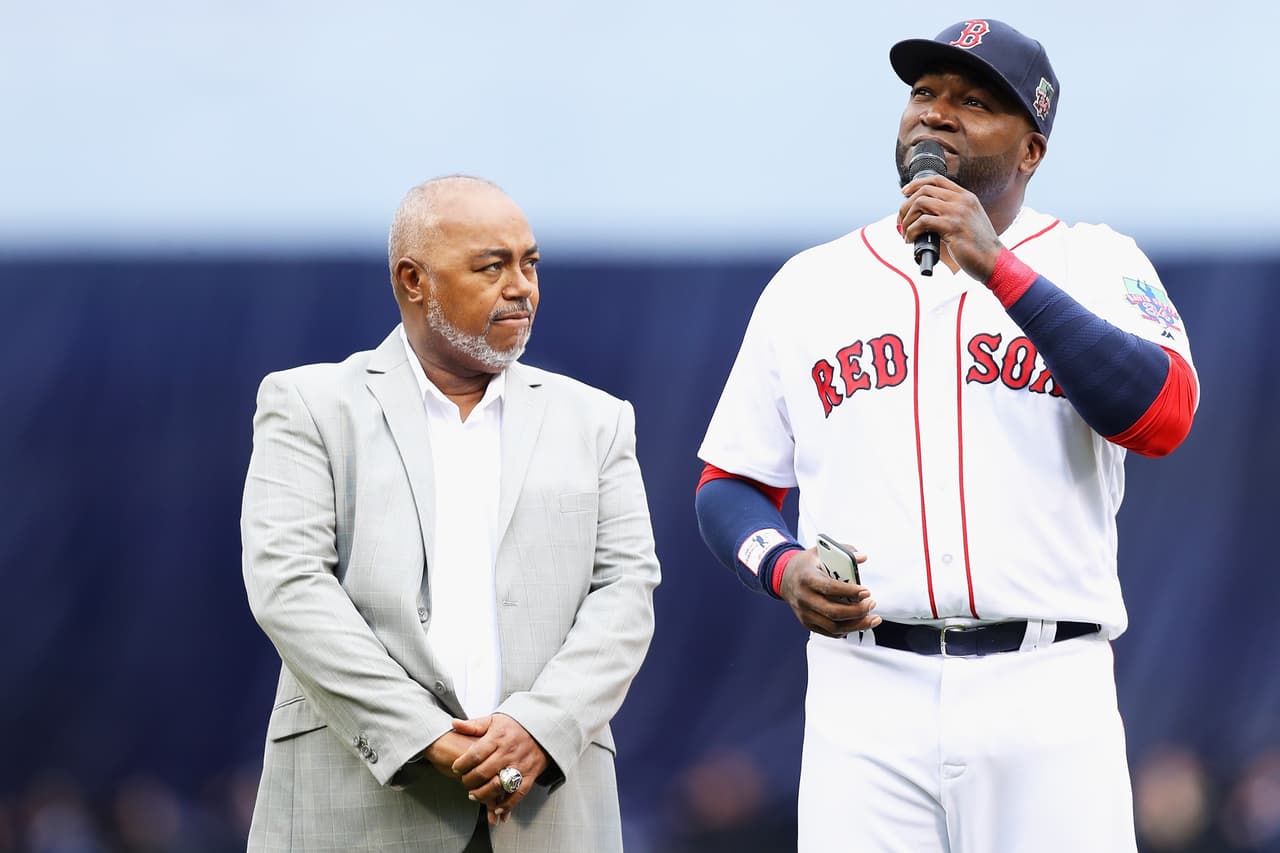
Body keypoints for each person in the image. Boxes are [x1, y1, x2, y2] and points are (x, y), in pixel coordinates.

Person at [694, 19, 1197, 852]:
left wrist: (997, 266)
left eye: (973, 101)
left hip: (1046, 685)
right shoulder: (810, 284)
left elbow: (1164, 416)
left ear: (1031, 150)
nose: (936, 114)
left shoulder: (1098, 261)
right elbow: (728, 484)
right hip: (867, 690)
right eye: (923, 94)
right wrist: (781, 568)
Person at [241, 175, 660, 852]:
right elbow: (289, 587)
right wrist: (427, 735)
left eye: (530, 263)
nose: (522, 286)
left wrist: (538, 728)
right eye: (492, 266)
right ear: (414, 280)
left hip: (545, 810)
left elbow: (626, 592)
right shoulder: (311, 406)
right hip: (358, 807)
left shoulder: (598, 421)